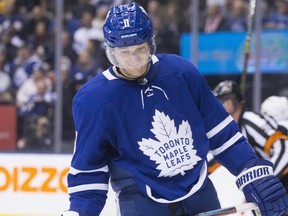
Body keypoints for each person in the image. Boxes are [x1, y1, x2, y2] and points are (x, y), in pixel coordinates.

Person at [62, 2, 288, 216]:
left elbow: (221, 133)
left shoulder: (181, 72)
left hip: (199, 193)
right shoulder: (92, 100)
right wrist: (79, 211)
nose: (134, 61)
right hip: (141, 202)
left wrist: (249, 169)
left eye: (140, 50)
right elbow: (89, 173)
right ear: (110, 51)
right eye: (124, 53)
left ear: (151, 43)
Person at [213, 80, 288, 191]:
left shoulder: (250, 120)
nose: (223, 106)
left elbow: (285, 149)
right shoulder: (233, 130)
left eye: (226, 101)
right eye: (220, 102)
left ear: (236, 100)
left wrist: (266, 184)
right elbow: (216, 160)